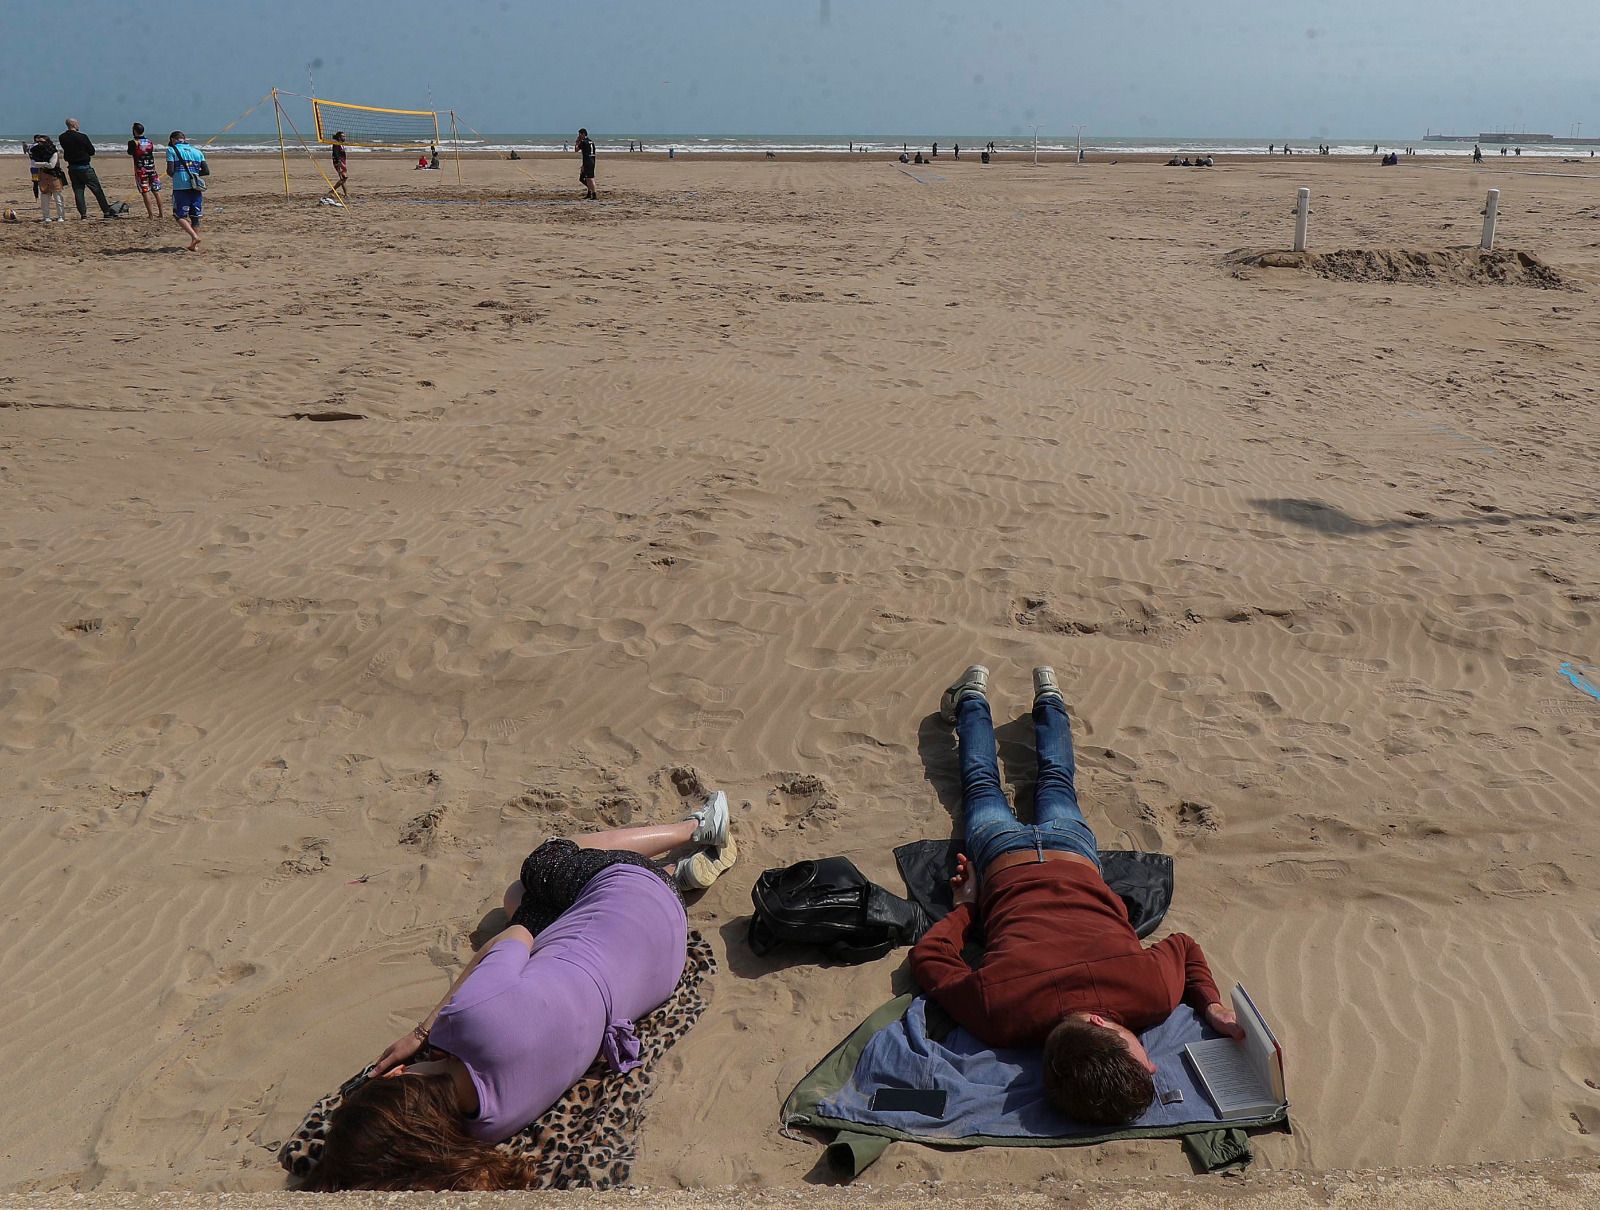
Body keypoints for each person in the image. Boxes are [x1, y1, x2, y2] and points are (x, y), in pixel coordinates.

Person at [303, 798, 737, 1191]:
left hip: (662, 963)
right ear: (396, 1078)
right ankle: (696, 828)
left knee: (519, 899)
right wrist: (423, 1032)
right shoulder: (468, 1020)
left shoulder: (488, 1126)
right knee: (543, 863)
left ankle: (676, 876)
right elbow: (518, 934)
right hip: (633, 900)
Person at [910, 665, 1246, 1127]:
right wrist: (967, 906)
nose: (1152, 1060)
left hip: (1072, 852)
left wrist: (1210, 1004)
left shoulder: (1150, 993)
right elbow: (931, 955)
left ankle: (1048, 693)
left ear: (1099, 1025)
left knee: (1055, 780)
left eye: (1138, 1056)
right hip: (1002, 859)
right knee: (982, 784)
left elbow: (1184, 947)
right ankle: (973, 696)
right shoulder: (998, 1015)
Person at [59, 118, 120, 219]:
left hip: (72, 167)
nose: (79, 125)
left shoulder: (62, 137)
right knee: (97, 190)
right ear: (74, 124)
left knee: (78, 191)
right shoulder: (82, 137)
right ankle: (106, 211)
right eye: (77, 123)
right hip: (84, 166)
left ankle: (83, 214)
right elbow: (91, 151)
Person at [165, 131, 207, 251]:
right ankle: (195, 245)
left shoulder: (171, 150)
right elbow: (205, 170)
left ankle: (194, 237)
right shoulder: (197, 151)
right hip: (195, 187)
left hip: (180, 187)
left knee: (179, 215)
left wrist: (178, 173)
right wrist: (194, 173)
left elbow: (170, 171)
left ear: (173, 139)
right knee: (195, 216)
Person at [126, 123, 163, 219]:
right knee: (156, 190)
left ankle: (151, 215)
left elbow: (130, 152)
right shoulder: (149, 142)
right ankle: (161, 213)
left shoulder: (133, 142)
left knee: (145, 191)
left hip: (141, 170)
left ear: (134, 131)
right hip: (151, 168)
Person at [30, 135, 67, 222]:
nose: (39, 143)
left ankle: (61, 216)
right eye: (38, 142)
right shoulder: (35, 151)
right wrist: (44, 164)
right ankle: (46, 216)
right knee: (44, 197)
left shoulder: (53, 152)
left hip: (54, 175)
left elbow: (52, 165)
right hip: (42, 175)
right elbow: (34, 163)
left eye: (42, 142)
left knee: (58, 197)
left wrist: (42, 164)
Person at [325, 131, 349, 203]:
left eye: (344, 136)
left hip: (342, 162)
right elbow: (335, 153)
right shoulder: (336, 144)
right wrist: (339, 163)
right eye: (343, 136)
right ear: (339, 137)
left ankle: (346, 194)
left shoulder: (341, 144)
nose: (344, 137)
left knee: (343, 179)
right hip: (338, 163)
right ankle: (332, 191)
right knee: (344, 178)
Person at [576, 127, 597, 198]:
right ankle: (589, 192)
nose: (579, 136)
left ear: (583, 134)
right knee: (583, 178)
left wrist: (577, 142)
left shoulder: (583, 142)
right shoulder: (591, 142)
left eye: (580, 135)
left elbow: (576, 149)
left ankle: (594, 194)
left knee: (590, 178)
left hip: (588, 162)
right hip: (591, 161)